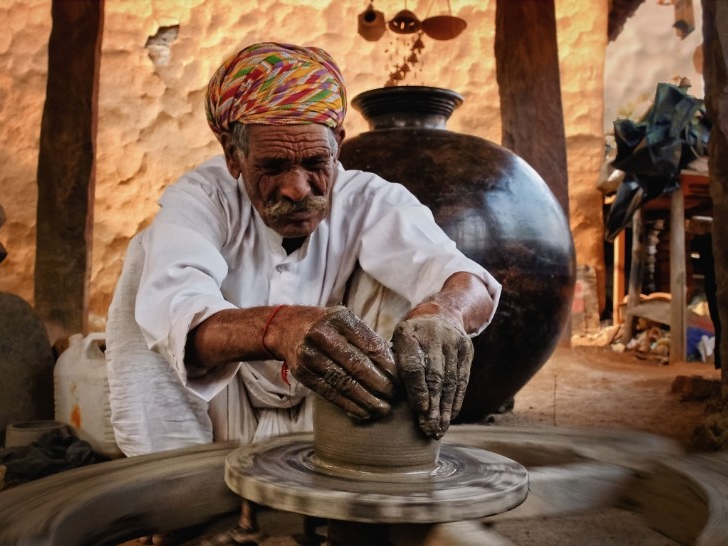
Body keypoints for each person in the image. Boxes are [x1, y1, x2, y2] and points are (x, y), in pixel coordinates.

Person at [105, 42, 501, 457]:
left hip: (338, 405)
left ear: (338, 146)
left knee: (421, 295)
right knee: (146, 262)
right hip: (224, 413)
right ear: (233, 155)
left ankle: (381, 465)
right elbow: (176, 304)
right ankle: (176, 490)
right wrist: (279, 326)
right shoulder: (203, 199)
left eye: (315, 163)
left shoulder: (367, 198)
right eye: (273, 167)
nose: (297, 188)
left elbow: (465, 278)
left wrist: (446, 313)